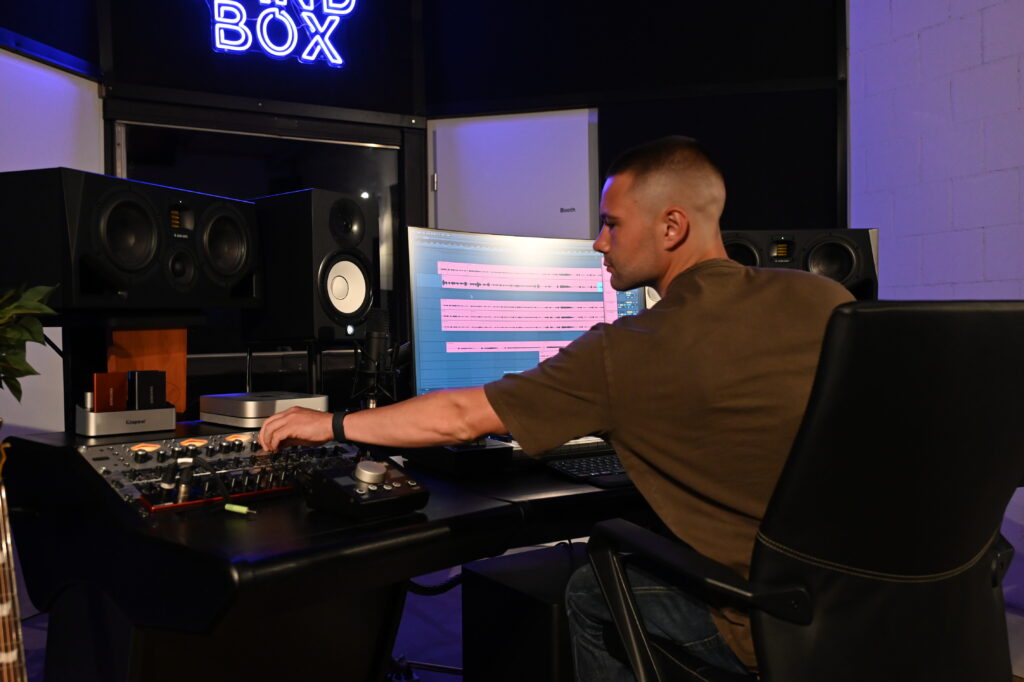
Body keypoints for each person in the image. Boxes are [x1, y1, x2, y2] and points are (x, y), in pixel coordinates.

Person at [258, 136, 854, 678]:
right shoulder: (827, 299)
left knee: (591, 592)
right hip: (871, 606)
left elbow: (462, 416)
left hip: (764, 625)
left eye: (612, 224)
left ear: (672, 226)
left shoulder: (630, 350)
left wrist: (332, 423)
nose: (598, 242)